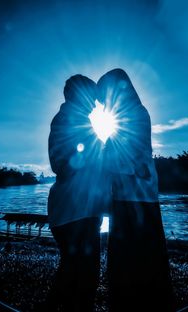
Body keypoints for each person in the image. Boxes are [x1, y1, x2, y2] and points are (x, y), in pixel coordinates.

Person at [97, 68, 175, 312]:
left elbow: (136, 163)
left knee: (141, 264)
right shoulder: (126, 117)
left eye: (103, 98)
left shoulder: (136, 115)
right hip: (126, 199)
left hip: (139, 201)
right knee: (128, 266)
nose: (102, 105)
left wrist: (101, 161)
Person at [45, 74, 110, 312]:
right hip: (75, 213)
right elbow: (60, 165)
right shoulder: (67, 121)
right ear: (77, 95)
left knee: (74, 274)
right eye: (91, 97)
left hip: (75, 211)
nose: (95, 103)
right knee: (83, 279)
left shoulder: (74, 121)